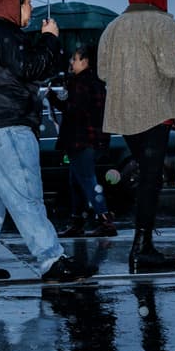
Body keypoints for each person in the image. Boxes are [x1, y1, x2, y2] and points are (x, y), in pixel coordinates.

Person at [0, 0, 91, 284]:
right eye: (27, 1)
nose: (30, 8)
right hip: (6, 125)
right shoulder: (5, 34)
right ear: (11, 4)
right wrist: (50, 39)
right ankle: (51, 258)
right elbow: (32, 68)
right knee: (26, 194)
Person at [97, 0, 175, 270]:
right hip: (156, 113)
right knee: (151, 180)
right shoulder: (163, 23)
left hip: (125, 114)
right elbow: (174, 67)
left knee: (146, 176)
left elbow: (102, 72)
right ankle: (142, 248)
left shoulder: (113, 26)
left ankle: (143, 244)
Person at [46, 44, 116, 238]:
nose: (71, 62)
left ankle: (104, 219)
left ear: (85, 62)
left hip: (80, 139)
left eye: (75, 59)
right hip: (91, 138)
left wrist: (54, 100)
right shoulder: (95, 82)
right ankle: (78, 220)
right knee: (77, 181)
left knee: (86, 180)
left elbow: (74, 110)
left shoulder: (80, 83)